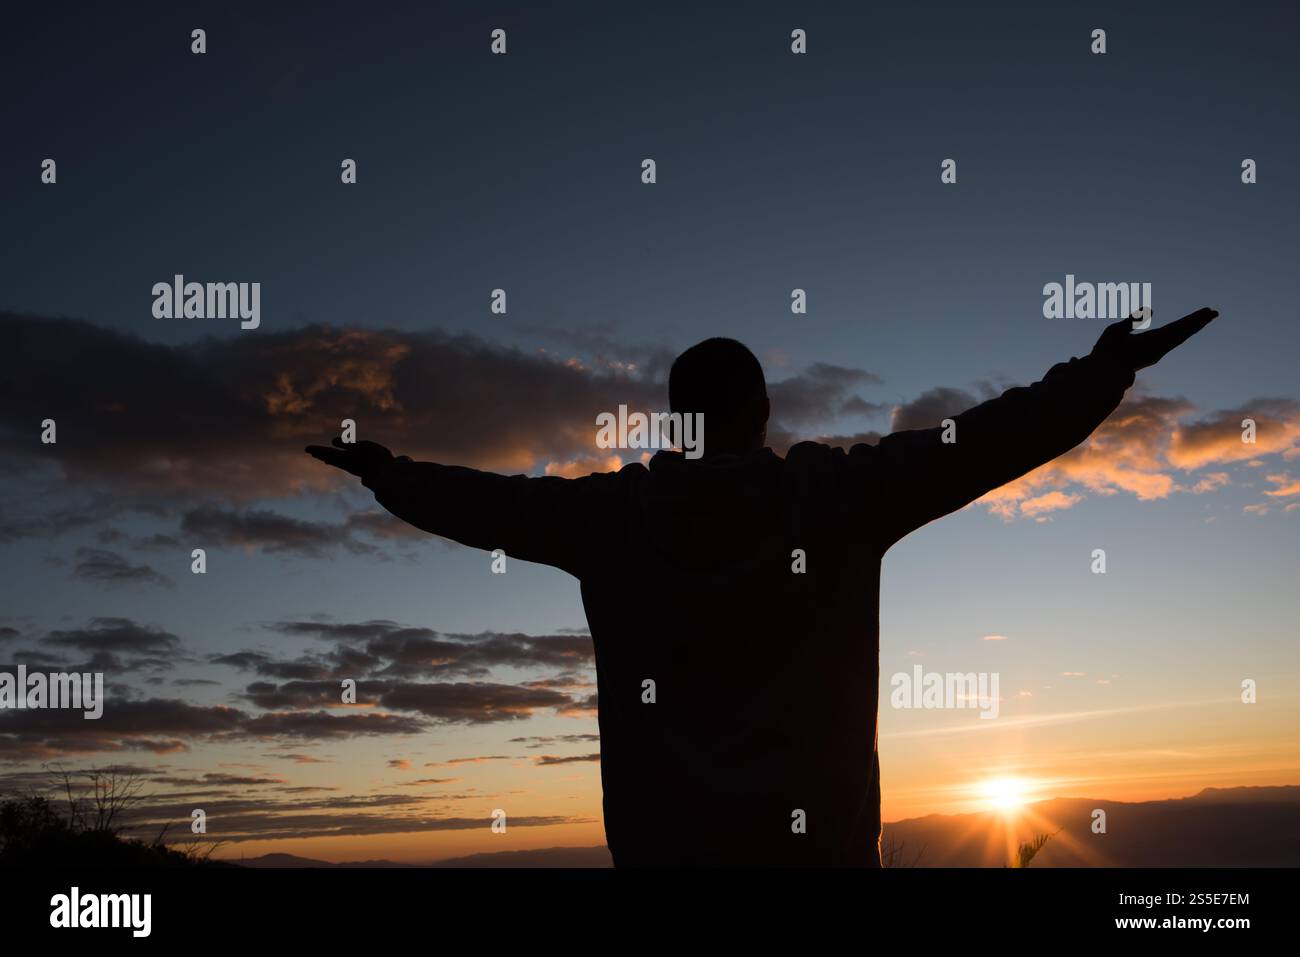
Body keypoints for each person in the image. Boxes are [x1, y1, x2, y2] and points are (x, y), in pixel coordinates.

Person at [308, 307, 1217, 866]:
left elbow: (488, 504)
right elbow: (983, 440)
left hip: (664, 852)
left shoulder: (608, 521)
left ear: (677, 421)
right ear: (764, 413)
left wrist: (389, 472)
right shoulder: (837, 499)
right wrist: (1102, 374)